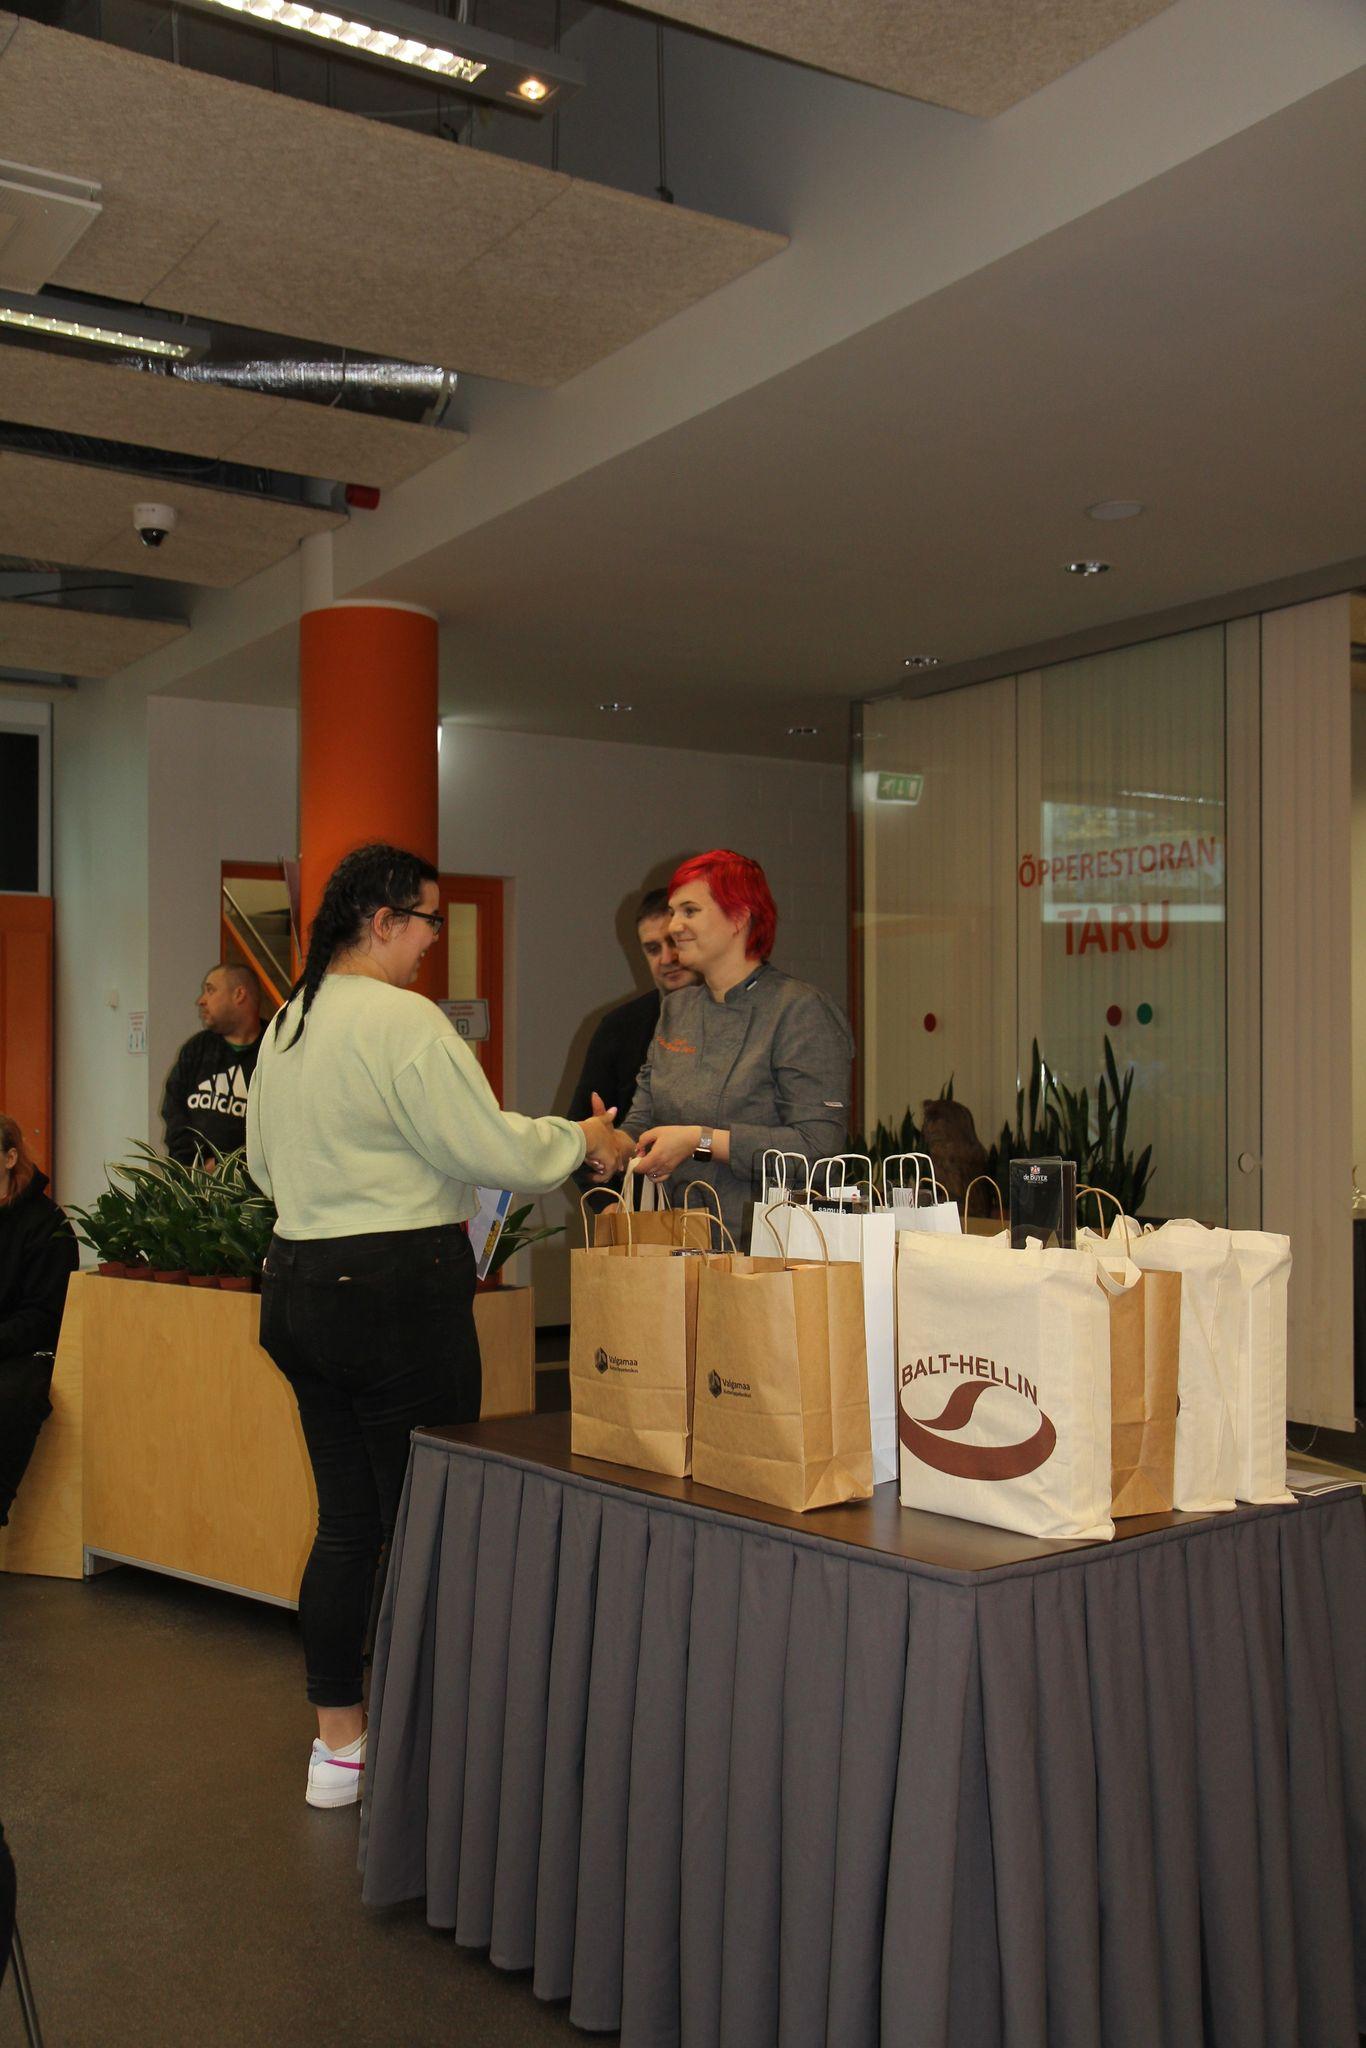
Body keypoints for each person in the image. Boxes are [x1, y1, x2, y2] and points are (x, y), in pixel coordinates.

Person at [246, 843, 620, 1811]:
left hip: (298, 1285)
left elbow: (261, 1167)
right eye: (427, 922)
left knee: (348, 1524)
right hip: (396, 1294)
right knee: (431, 1521)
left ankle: (340, 1746)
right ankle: (434, 1747)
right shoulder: (404, 1022)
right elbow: (492, 1147)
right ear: (383, 921)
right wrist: (583, 1137)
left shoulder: (290, 1019)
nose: (431, 942)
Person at [599, 850, 854, 1239]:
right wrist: (610, 1141)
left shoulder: (800, 1010)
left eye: (689, 911)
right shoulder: (677, 1010)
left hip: (766, 1249)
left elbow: (819, 1149)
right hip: (678, 1241)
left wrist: (701, 1141)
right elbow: (645, 1119)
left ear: (739, 917)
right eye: (673, 912)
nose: (674, 926)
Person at [566, 886, 700, 1190]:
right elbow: (583, 1136)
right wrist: (608, 1206)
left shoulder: (736, 1020)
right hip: (639, 1205)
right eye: (652, 949)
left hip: (719, 1199)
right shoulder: (620, 1026)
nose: (666, 958)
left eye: (674, 943)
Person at [0, 1115, 79, 1528]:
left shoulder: (48, 1225)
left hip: (24, 1351)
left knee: (13, 1398)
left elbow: (43, 1317)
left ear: (10, 1158)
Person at [161, 963, 264, 1167]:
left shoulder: (274, 1049)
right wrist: (195, 1162)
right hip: (191, 1177)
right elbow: (173, 1111)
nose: (201, 1000)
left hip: (249, 1181)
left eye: (210, 990)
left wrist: (229, 1167)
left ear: (239, 995)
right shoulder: (196, 1049)